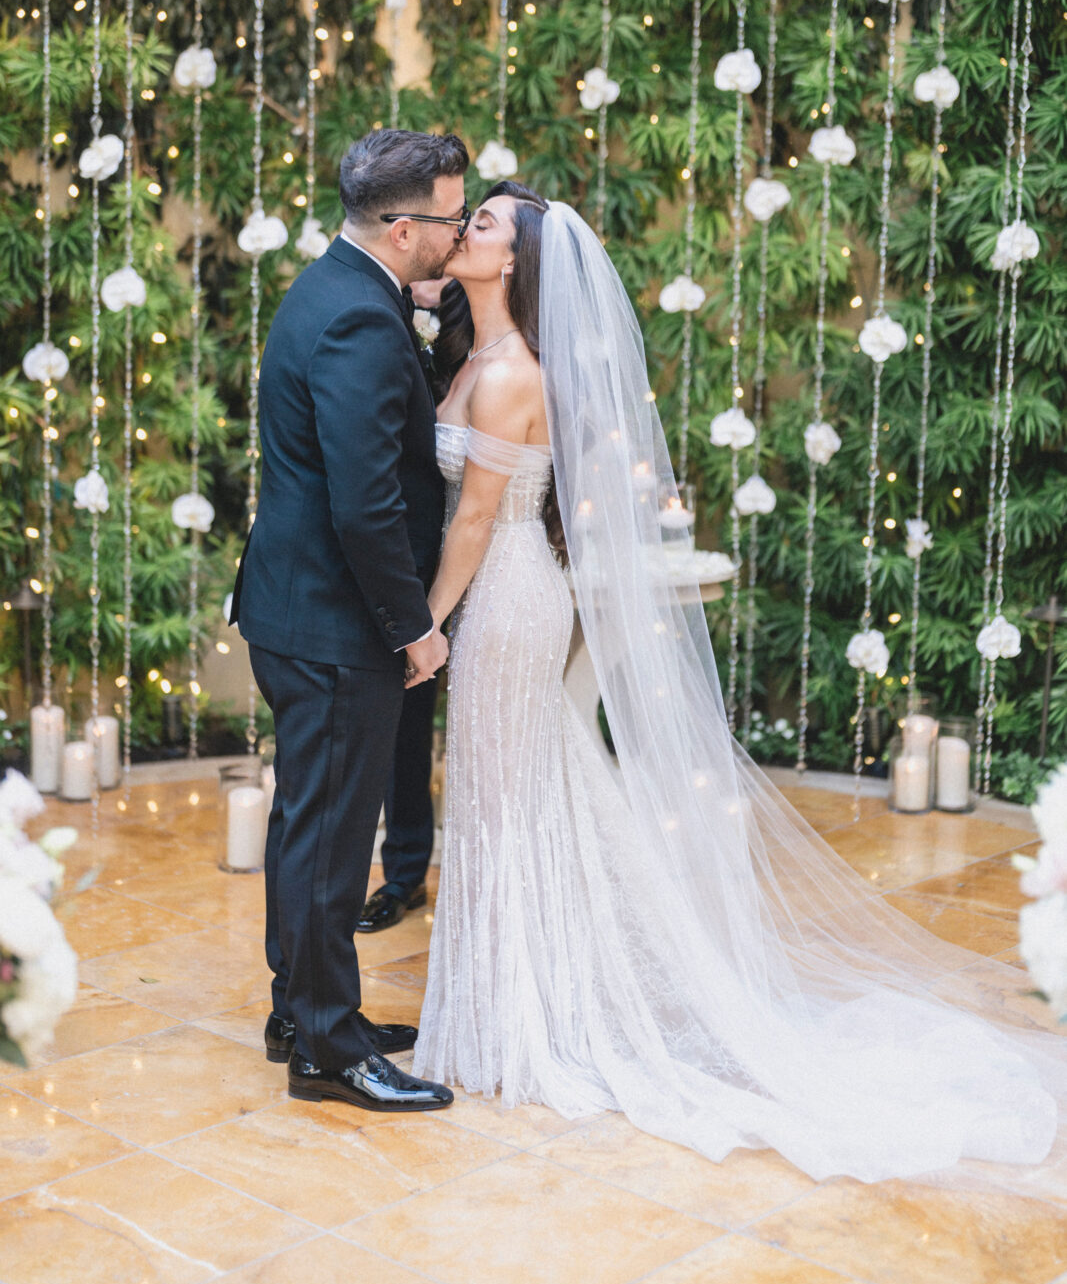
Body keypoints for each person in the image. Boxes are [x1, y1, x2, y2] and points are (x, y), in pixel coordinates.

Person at [412, 181, 1067, 1193]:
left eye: (484, 223)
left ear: (513, 263)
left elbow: (469, 522)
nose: (465, 231)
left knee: (501, 805)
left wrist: (424, 627)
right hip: (502, 597)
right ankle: (512, 1004)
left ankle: (524, 1021)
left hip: (502, 601)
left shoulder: (509, 374)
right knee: (508, 799)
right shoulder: (477, 356)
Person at [231, 127, 469, 1113]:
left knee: (305, 825)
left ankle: (304, 1008)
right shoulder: (361, 325)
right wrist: (413, 628)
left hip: (295, 608)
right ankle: (326, 1051)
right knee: (330, 839)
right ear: (404, 225)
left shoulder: (333, 286)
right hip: (334, 624)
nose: (456, 240)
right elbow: (365, 503)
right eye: (451, 222)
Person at [355, 277, 453, 936]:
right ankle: (404, 873)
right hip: (414, 560)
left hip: (491, 558)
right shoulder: (386, 315)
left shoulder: (489, 339)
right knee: (404, 723)